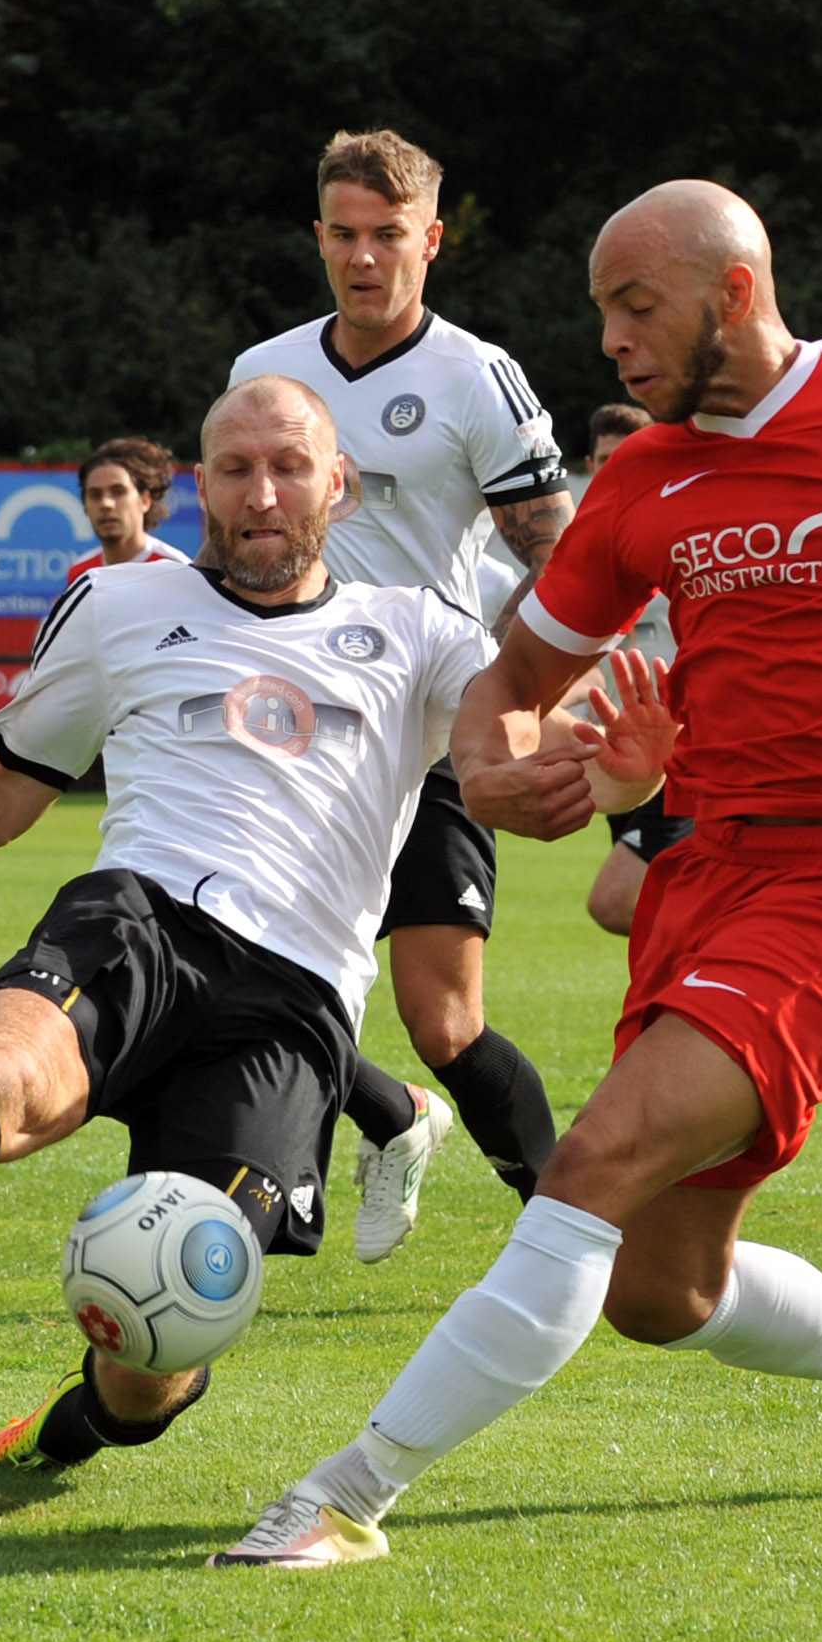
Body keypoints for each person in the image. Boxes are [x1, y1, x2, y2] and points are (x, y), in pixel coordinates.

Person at [211, 179, 822, 1571]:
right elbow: (513, 679)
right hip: (707, 881)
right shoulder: (645, 481)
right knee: (659, 1292)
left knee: (592, 1164)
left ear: (734, 291)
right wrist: (495, 768)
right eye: (601, 313)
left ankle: (345, 1493)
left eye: (637, 307)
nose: (612, 341)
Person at [0, 377, 668, 1478]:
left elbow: (512, 756)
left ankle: (72, 1427)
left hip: (297, 1005)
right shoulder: (117, 605)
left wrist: (618, 779)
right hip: (144, 914)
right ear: (199, 487)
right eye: (236, 470)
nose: (262, 493)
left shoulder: (419, 632)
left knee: (163, 1344)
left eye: (289, 467)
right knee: (16, 1060)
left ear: (340, 486)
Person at [225, 128, 577, 1236]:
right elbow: (233, 542)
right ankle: (382, 1122)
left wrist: (506, 684)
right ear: (318, 237)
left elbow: (560, 558)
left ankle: (571, 1226)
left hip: (426, 731)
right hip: (290, 730)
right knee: (240, 972)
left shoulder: (475, 377)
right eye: (344, 234)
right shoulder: (264, 373)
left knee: (443, 1021)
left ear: (431, 241)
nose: (363, 257)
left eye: (387, 235)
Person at [578, 402, 693, 937]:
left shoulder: (685, 541)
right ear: (590, 466)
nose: (619, 469)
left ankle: (750, 951)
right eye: (607, 460)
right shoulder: (582, 552)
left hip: (684, 755)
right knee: (656, 906)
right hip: (623, 758)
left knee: (617, 901)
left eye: (631, 456)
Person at [66, 438, 192, 579]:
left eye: (118, 492)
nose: (105, 503)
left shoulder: (177, 570)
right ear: (85, 505)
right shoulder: (80, 573)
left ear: (145, 501)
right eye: (95, 495)